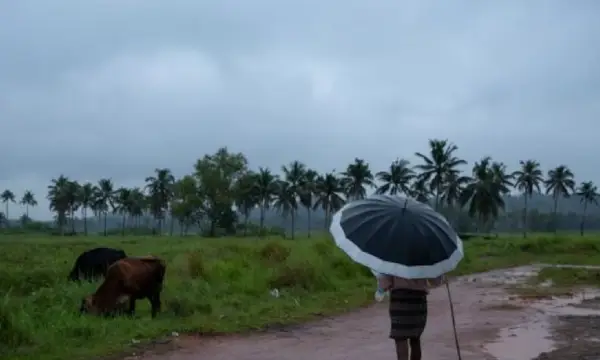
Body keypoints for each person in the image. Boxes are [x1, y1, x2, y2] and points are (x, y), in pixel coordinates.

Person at [377, 273, 447, 360]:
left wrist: (381, 289)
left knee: (400, 337)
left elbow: (385, 282)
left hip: (399, 300)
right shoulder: (423, 259)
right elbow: (435, 281)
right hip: (418, 299)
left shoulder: (395, 259)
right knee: (415, 337)